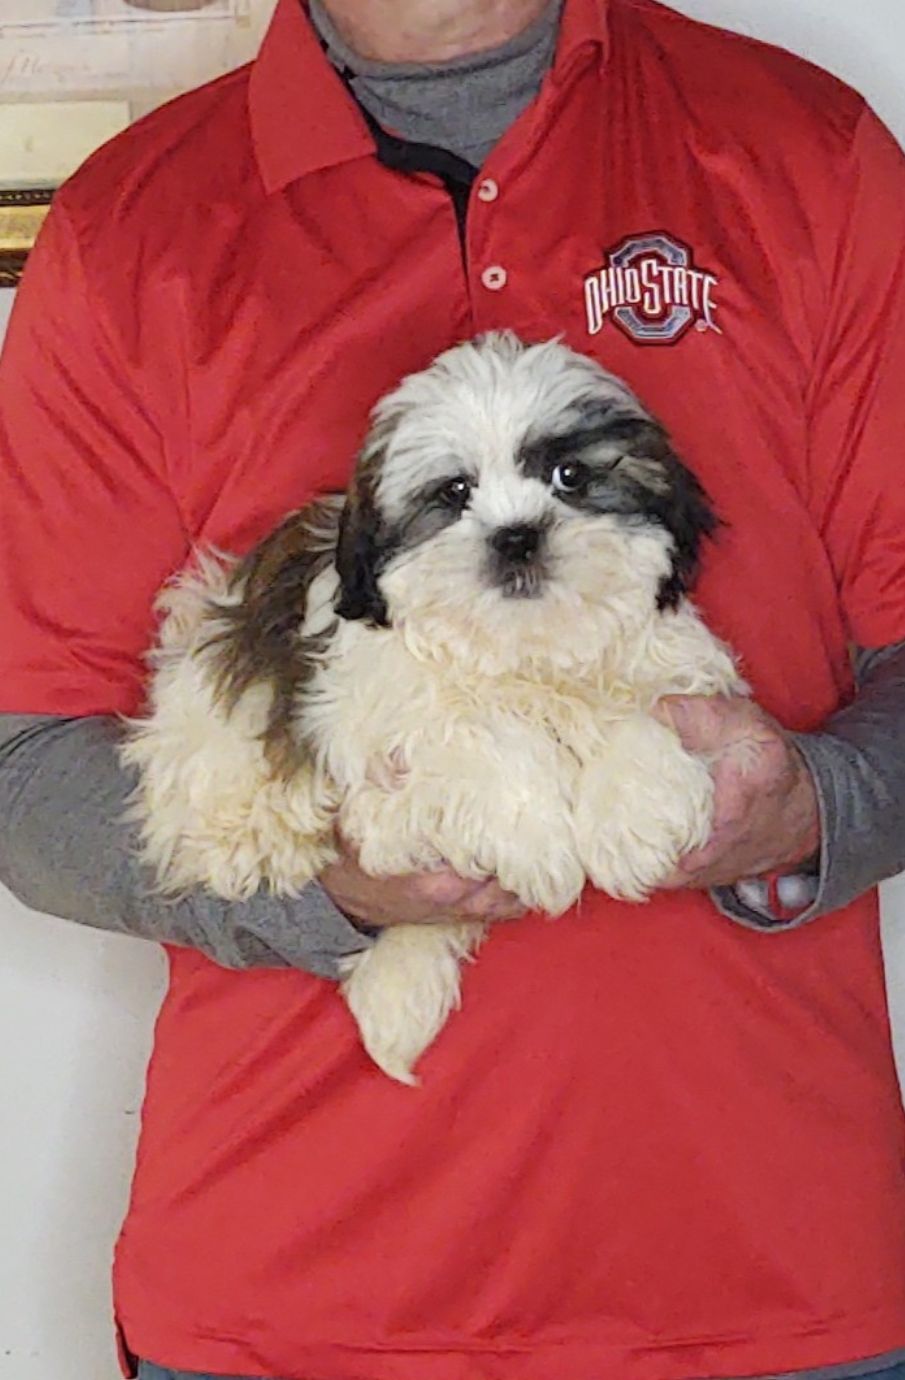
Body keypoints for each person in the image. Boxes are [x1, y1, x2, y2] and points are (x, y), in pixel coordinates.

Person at [2, 1, 905, 1378]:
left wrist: (811, 811)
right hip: (288, 1299)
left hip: (767, 1282)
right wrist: (319, 885)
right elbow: (22, 771)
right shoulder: (137, 222)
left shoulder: (805, 148)